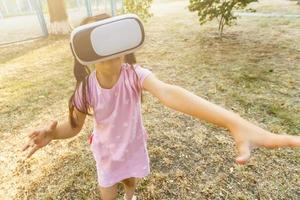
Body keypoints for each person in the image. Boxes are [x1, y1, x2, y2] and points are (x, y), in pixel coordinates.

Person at [22, 14, 300, 200]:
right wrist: (54, 133)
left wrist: (233, 121)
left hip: (132, 147)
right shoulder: (86, 88)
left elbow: (169, 92)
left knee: (130, 182)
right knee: (107, 189)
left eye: (114, 45)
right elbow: (74, 126)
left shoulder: (135, 75)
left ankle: (130, 196)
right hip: (106, 153)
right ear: (87, 54)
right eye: (100, 48)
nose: (110, 56)